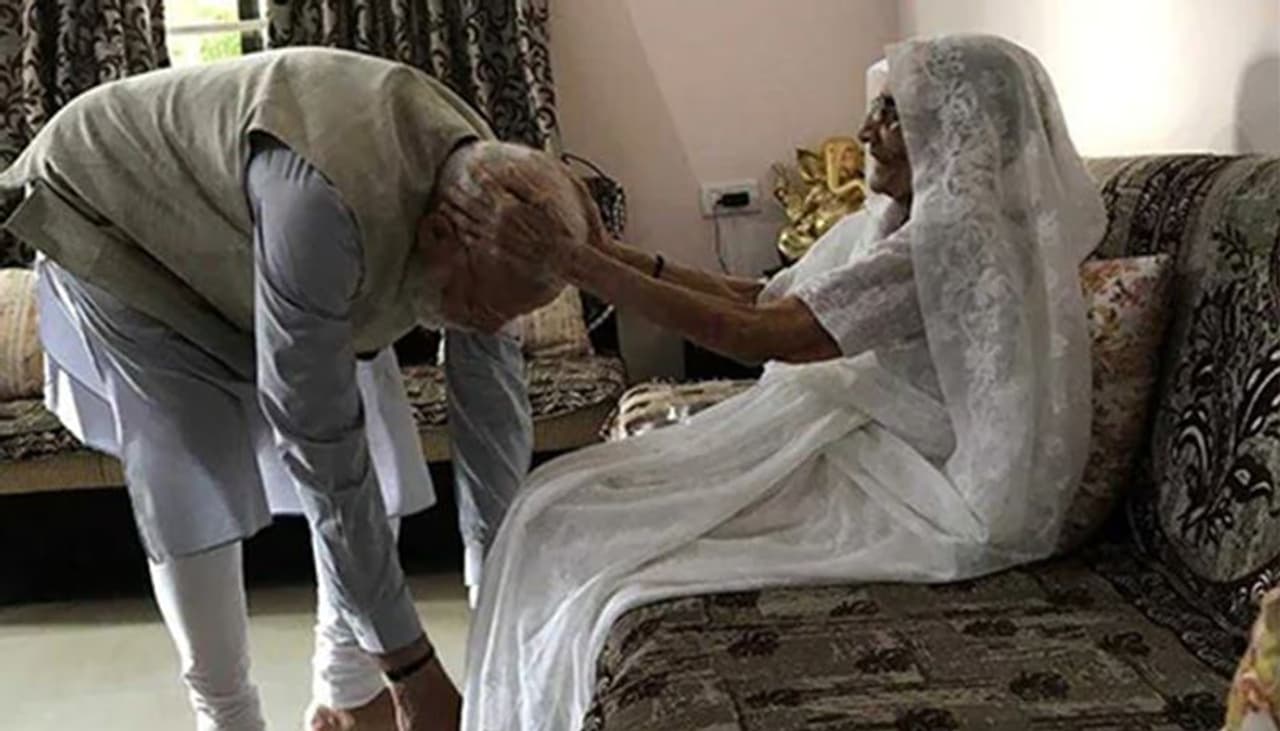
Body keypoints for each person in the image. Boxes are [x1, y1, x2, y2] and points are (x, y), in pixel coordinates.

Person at [453, 34, 1106, 730]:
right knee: (555, 507)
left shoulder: (950, 243)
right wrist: (612, 254)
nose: (865, 131)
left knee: (567, 521)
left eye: (892, 112)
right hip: (868, 441)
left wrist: (581, 264)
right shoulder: (904, 224)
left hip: (916, 482)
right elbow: (765, 298)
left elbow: (768, 335)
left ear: (952, 126)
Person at [0, 48, 587, 731]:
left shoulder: (494, 203)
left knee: (382, 446)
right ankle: (227, 715)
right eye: (479, 304)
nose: (487, 323)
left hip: (258, 217)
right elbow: (319, 444)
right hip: (117, 208)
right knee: (192, 466)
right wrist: (413, 669)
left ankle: (346, 696)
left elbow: (489, 411)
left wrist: (497, 605)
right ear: (436, 235)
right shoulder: (322, 211)